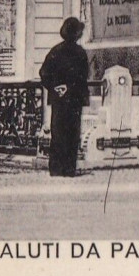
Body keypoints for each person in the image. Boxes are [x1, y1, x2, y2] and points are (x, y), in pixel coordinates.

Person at [39, 17, 89, 178]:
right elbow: (82, 77)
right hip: (73, 100)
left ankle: (55, 168)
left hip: (58, 100)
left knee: (58, 133)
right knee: (72, 134)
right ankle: (69, 169)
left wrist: (56, 88)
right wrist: (69, 88)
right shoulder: (80, 53)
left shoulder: (55, 51)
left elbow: (44, 73)